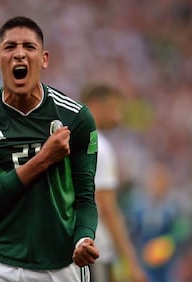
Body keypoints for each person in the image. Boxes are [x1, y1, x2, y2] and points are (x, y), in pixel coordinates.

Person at [0, 16, 99, 282]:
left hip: (61, 266)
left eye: (29, 47)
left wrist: (83, 238)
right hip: (0, 264)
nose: (19, 54)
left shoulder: (75, 117)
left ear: (43, 59)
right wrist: (43, 159)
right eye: (10, 47)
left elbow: (85, 198)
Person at [80, 84, 147, 282]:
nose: (118, 117)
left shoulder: (66, 140)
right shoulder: (99, 146)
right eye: (113, 109)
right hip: (95, 252)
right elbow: (107, 207)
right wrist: (131, 262)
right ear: (94, 105)